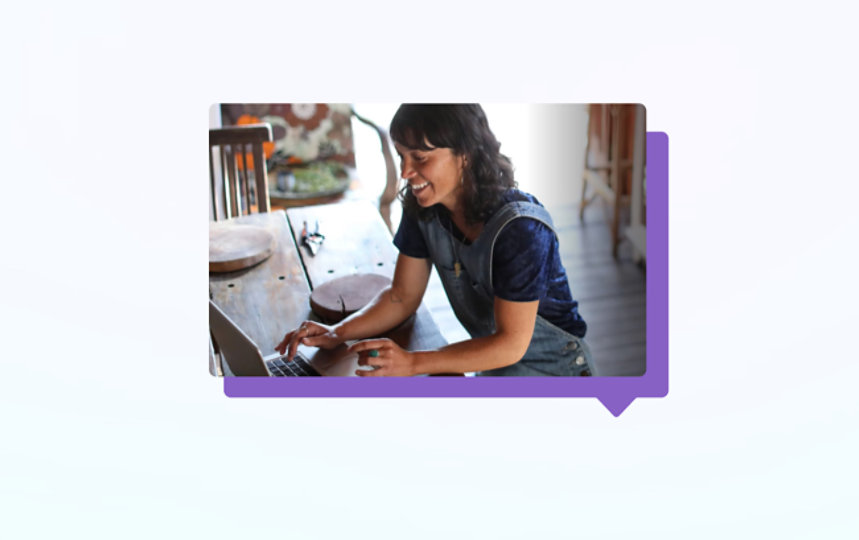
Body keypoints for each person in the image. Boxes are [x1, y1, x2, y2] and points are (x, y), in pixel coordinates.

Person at [275, 104, 593, 376]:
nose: (405, 172)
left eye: (420, 158)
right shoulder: (424, 209)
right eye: (401, 156)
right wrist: (336, 333)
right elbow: (401, 296)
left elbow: (510, 343)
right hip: (498, 371)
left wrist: (413, 362)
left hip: (557, 375)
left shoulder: (521, 230)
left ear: (465, 154)